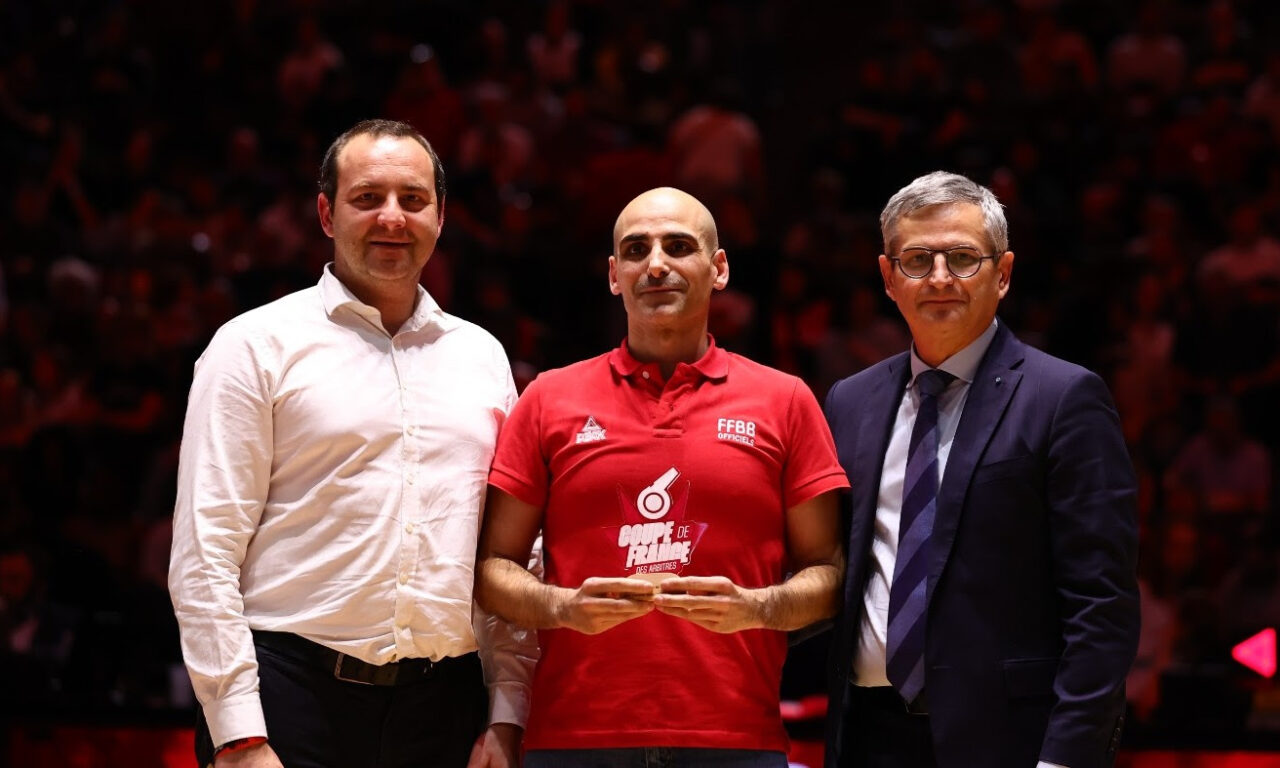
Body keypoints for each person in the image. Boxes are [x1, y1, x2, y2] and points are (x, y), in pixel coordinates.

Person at [168, 119, 533, 768]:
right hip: (289, 699)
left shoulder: (482, 358)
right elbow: (206, 551)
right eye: (367, 198)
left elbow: (506, 557)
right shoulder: (253, 346)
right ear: (326, 214)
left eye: (413, 200)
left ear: (441, 217)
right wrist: (239, 734)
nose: (392, 217)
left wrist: (507, 714)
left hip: (445, 706)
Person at [475, 187, 848, 768]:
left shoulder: (786, 401)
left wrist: (759, 608)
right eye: (635, 249)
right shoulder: (549, 397)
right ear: (613, 275)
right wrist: (562, 607)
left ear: (718, 268)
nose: (655, 264)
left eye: (678, 246)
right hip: (574, 740)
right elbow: (493, 567)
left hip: (737, 741)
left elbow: (828, 572)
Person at [823, 171, 1140, 768]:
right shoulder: (849, 401)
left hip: (1009, 742)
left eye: (963, 258)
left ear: (1004, 274)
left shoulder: (1065, 397)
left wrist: (1067, 758)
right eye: (918, 260)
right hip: (867, 736)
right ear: (888, 278)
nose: (940, 278)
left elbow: (1102, 606)